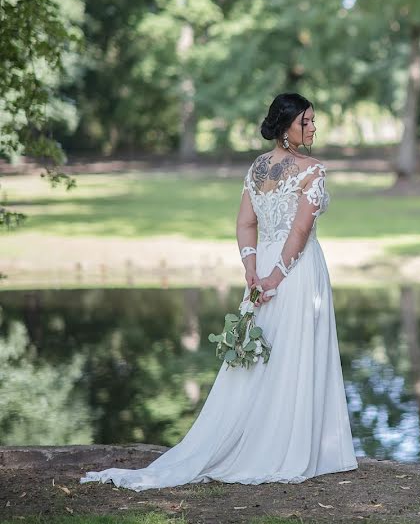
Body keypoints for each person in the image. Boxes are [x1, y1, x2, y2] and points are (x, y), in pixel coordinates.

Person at [80, 93, 359, 491]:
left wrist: (252, 270)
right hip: (294, 272)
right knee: (289, 351)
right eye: (306, 122)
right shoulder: (312, 170)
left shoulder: (257, 168)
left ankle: (279, 440)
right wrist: (274, 278)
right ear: (286, 127)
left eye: (313, 121)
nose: (313, 127)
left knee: (265, 357)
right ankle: (292, 446)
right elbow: (298, 232)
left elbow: (245, 224)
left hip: (262, 269)